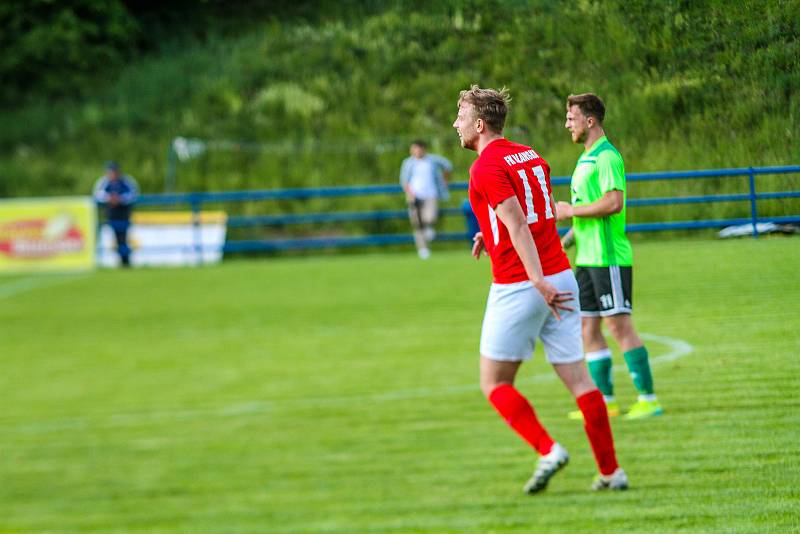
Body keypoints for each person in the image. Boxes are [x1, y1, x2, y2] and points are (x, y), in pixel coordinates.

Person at [453, 85, 628, 493]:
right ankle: (611, 471)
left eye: (460, 117)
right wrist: (489, 234)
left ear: (479, 124)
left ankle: (549, 450)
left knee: (494, 383)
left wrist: (535, 280)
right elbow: (536, 213)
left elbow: (516, 222)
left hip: (522, 284)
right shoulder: (530, 155)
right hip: (562, 276)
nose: (455, 124)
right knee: (580, 381)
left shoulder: (484, 167)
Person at [557, 93, 663, 420]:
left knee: (619, 327)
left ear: (590, 121)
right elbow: (586, 214)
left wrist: (570, 211)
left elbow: (613, 203)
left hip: (609, 258)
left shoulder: (607, 157)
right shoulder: (586, 156)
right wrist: (567, 240)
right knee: (587, 329)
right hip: (587, 260)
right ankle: (606, 402)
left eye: (571, 118)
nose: (567, 125)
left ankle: (649, 399)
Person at [399, 140, 452, 259]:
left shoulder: (432, 160)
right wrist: (410, 193)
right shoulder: (408, 163)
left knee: (429, 217)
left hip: (431, 194)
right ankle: (423, 248)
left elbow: (447, 165)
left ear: (423, 149)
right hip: (414, 195)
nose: (416, 151)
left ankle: (429, 228)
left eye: (418, 149)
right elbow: (404, 181)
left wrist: (445, 181)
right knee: (417, 224)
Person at [93, 161, 139, 267]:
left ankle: (125, 260)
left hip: (123, 213)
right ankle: (119, 259)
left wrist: (120, 199)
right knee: (114, 236)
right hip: (110, 213)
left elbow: (134, 194)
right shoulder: (104, 182)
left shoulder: (126, 181)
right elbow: (98, 194)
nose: (112, 174)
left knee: (123, 237)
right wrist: (109, 198)